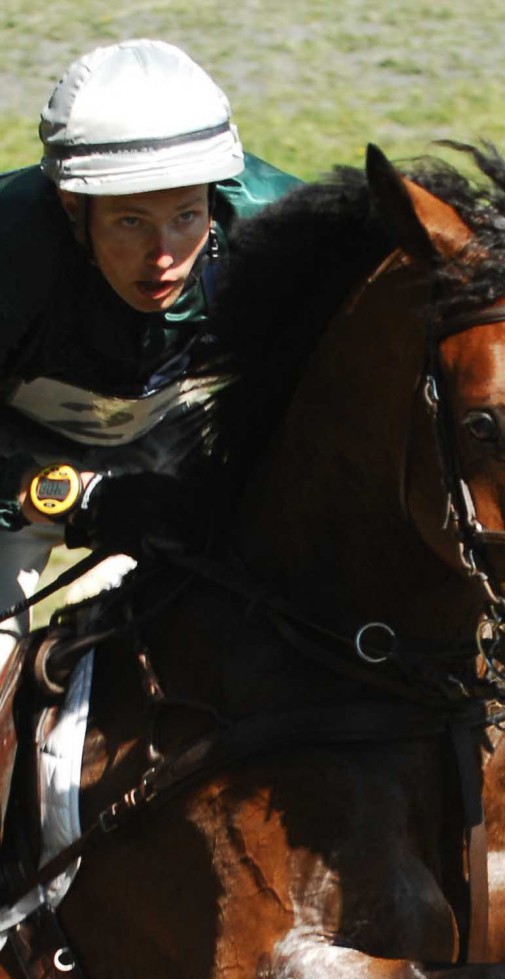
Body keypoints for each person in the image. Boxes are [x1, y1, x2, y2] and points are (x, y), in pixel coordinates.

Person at [0, 38, 301, 691]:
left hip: (175, 449)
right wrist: (74, 496)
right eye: (131, 222)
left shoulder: (280, 233)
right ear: (72, 208)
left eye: (185, 216)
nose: (162, 257)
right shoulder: (9, 251)